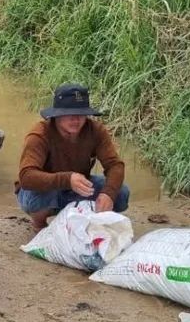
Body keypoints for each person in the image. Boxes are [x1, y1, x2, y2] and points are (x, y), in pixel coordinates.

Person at [15, 83, 130, 231]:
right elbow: (26, 177)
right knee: (39, 196)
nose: (76, 119)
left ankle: (86, 219)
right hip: (44, 190)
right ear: (57, 114)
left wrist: (108, 193)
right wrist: (67, 179)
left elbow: (115, 165)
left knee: (121, 193)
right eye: (69, 114)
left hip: (78, 186)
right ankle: (39, 224)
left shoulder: (95, 130)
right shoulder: (39, 134)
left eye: (81, 114)